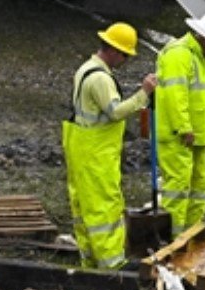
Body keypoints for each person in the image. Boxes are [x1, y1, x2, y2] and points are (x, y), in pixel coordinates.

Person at [62, 22, 156, 269]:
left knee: (84, 205)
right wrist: (143, 93)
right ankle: (113, 264)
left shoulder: (86, 69)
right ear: (114, 50)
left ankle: (90, 258)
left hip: (81, 146)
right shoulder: (100, 79)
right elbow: (115, 112)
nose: (125, 60)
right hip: (96, 151)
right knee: (105, 206)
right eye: (125, 55)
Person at [154, 10, 205, 234]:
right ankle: (171, 237)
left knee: (199, 187)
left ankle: (191, 233)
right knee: (178, 187)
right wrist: (183, 127)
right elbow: (174, 95)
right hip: (178, 135)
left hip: (200, 135)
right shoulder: (179, 55)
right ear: (203, 37)